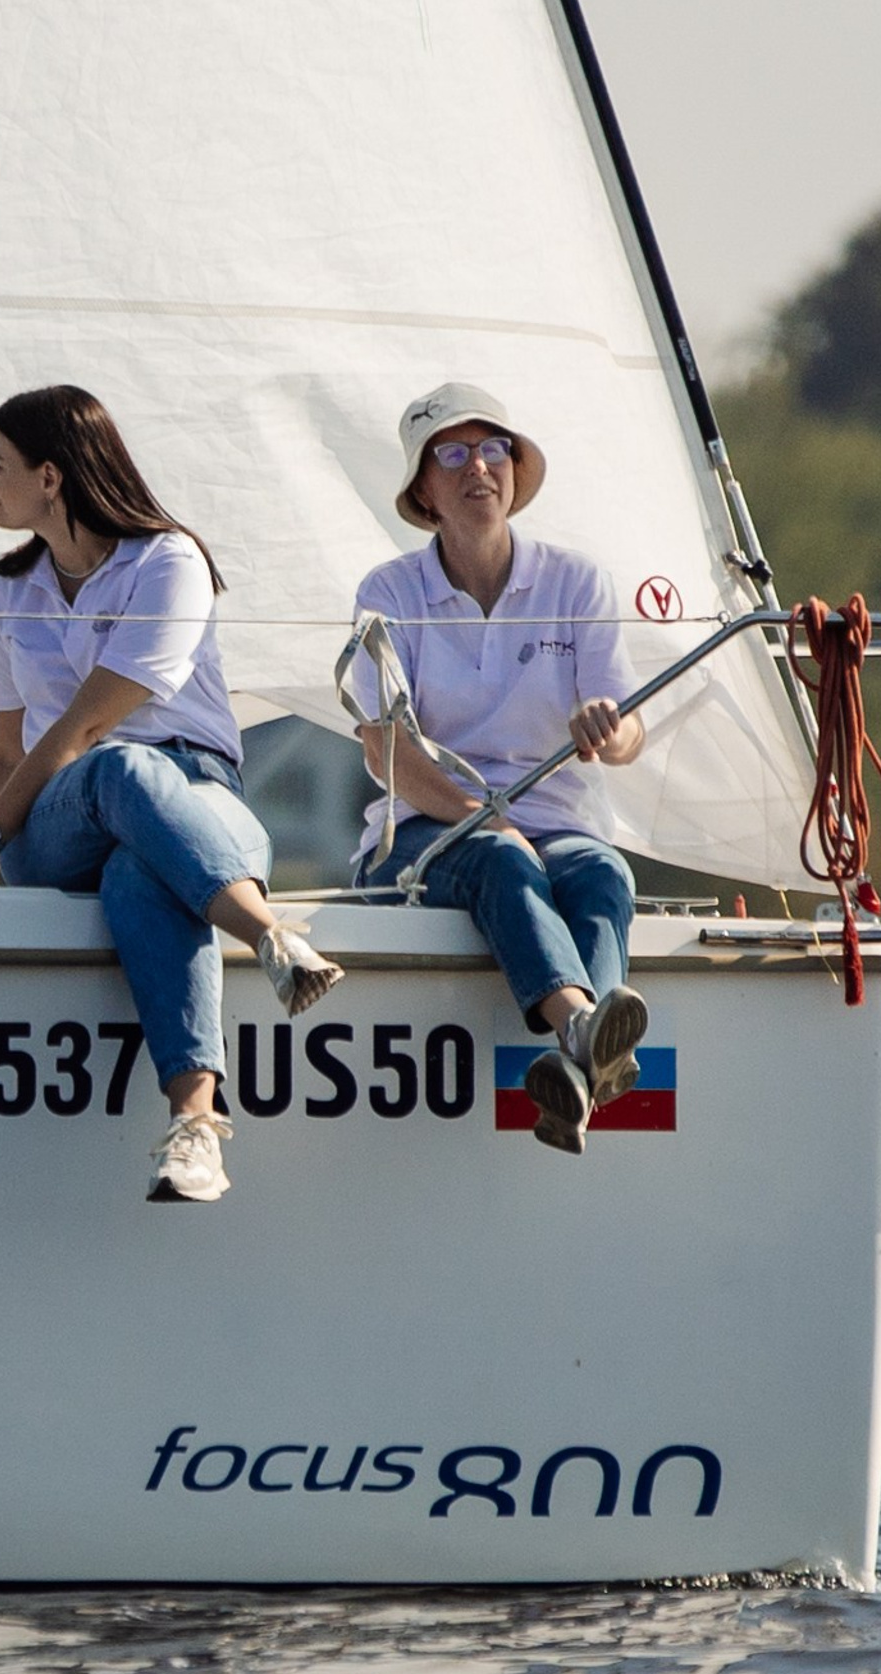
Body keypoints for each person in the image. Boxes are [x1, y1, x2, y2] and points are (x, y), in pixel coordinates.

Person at [0, 384, 341, 1204]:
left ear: (49, 477)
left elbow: (88, 725)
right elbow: (14, 748)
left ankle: (195, 1129)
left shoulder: (169, 561)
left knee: (138, 865)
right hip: (59, 818)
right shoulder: (5, 591)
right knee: (123, 771)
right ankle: (268, 936)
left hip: (197, 795)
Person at [348, 381, 648, 1153]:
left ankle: (576, 1073)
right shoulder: (387, 591)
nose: (477, 467)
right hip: (424, 833)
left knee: (602, 874)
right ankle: (588, 1034)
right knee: (499, 863)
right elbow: (384, 748)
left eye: (492, 450)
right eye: (452, 454)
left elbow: (629, 734)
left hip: (557, 822)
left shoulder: (577, 582)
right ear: (423, 489)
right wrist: (485, 820)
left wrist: (605, 730)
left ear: (514, 471)